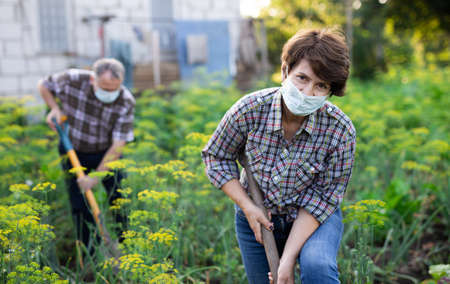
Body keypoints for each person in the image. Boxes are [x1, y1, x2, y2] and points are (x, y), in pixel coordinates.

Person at [202, 28, 355, 284]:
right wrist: (248, 207)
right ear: (285, 71)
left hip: (313, 216)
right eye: (302, 78)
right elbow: (216, 156)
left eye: (321, 85)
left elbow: (324, 196)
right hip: (259, 218)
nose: (307, 92)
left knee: (317, 267)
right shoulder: (250, 110)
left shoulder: (339, 129)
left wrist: (287, 261)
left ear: (331, 90)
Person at [38, 58, 135, 253]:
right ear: (93, 79)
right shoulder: (72, 79)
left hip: (106, 153)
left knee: (119, 198)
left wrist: (95, 177)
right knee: (80, 204)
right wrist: (54, 108)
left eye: (114, 89)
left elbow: (118, 146)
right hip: (73, 148)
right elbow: (44, 85)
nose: (109, 94)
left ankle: (128, 248)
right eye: (105, 88)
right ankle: (89, 252)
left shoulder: (125, 101)